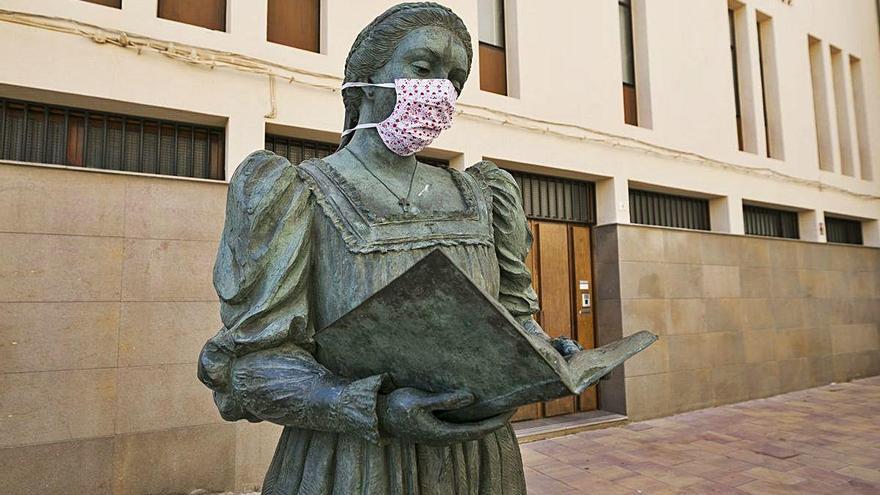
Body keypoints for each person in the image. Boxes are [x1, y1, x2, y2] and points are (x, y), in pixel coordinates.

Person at [198, 3, 580, 493]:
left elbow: (515, 319)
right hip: (355, 463)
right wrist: (371, 407)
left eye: (454, 78)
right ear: (365, 79)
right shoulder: (295, 193)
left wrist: (544, 354)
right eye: (423, 68)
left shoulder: (486, 196)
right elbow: (254, 366)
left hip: (478, 462)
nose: (439, 89)